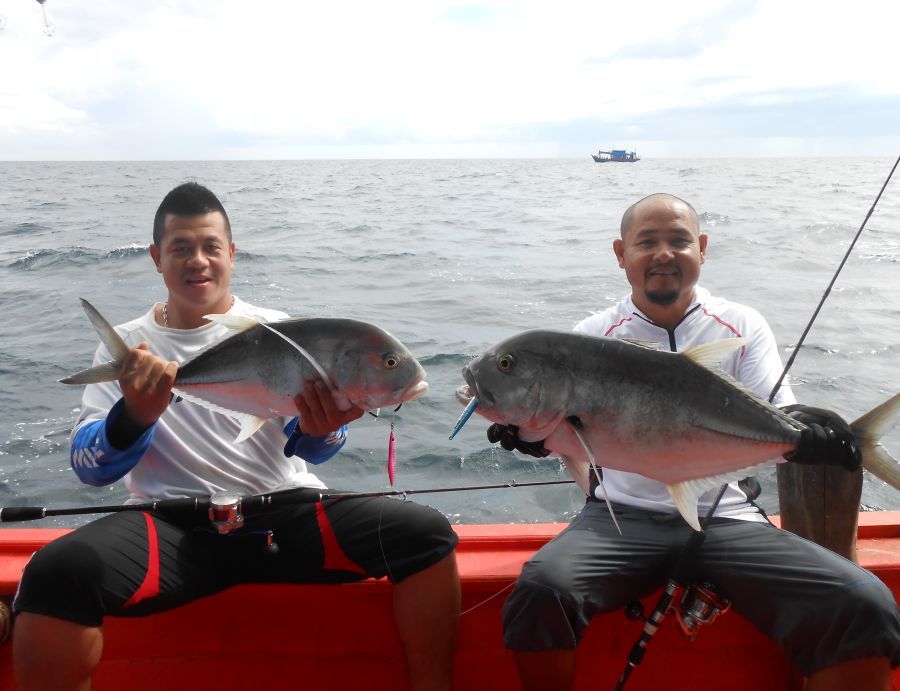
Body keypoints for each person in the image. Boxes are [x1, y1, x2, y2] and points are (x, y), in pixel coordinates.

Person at [12, 182, 461, 691]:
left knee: (427, 537)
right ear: (156, 257)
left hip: (285, 512)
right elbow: (90, 468)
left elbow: (311, 443)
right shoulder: (133, 348)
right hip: (173, 524)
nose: (197, 260)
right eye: (180, 247)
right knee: (55, 572)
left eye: (210, 247)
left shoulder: (280, 331)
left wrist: (324, 431)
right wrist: (134, 416)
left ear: (232, 253)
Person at [489, 193, 900, 690]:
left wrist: (803, 435)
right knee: (541, 591)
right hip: (620, 518)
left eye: (679, 240)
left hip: (727, 518)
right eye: (647, 242)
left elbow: (779, 413)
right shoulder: (592, 336)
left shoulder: (742, 325)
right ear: (621, 255)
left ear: (702, 248)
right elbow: (575, 439)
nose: (664, 253)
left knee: (864, 604)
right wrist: (542, 440)